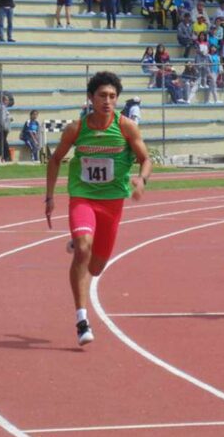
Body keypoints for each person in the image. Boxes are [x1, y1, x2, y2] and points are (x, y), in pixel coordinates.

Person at [45, 72, 152, 346]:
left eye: (112, 96)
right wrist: (49, 196)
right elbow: (56, 160)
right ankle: (81, 319)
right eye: (102, 96)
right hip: (83, 197)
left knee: (96, 267)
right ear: (90, 98)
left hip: (112, 203)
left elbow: (145, 158)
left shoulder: (126, 127)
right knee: (83, 248)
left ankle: (81, 239)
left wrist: (142, 179)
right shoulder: (76, 129)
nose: (107, 101)